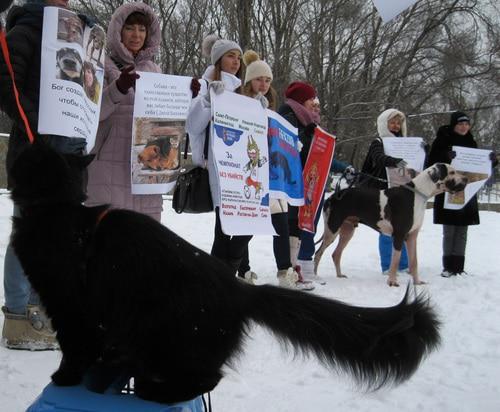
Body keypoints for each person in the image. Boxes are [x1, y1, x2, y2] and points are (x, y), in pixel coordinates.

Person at [0, 0, 89, 350]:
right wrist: (39, 119)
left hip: (70, 151)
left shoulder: (80, 34)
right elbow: (7, 84)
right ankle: (19, 316)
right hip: (35, 150)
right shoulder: (26, 28)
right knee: (29, 231)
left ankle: (42, 308)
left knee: (55, 236)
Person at [235, 51, 313, 290]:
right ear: (249, 80)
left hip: (273, 176)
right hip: (248, 173)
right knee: (245, 227)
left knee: (280, 224)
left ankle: (284, 272)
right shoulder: (238, 102)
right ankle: (242, 269)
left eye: (268, 80)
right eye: (259, 79)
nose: (264, 84)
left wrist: (291, 143)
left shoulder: (269, 107)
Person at [85, 2, 163, 221]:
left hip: (146, 169)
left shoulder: (155, 70)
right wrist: (118, 88)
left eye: (142, 29)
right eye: (130, 28)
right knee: (107, 241)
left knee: (143, 244)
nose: (136, 35)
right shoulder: (99, 62)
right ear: (118, 31)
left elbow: (166, 122)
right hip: (108, 166)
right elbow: (90, 115)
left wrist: (187, 96)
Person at [186, 35, 254, 276]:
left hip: (239, 167)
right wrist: (207, 100)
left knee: (241, 224)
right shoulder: (204, 85)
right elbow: (192, 126)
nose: (236, 62)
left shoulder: (240, 88)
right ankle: (221, 278)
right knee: (224, 226)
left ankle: (222, 276)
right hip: (215, 165)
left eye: (238, 57)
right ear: (218, 60)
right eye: (230, 56)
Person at [427, 111, 498, 277]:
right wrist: (445, 156)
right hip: (448, 189)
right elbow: (432, 164)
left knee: (462, 231)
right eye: (460, 124)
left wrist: (492, 161)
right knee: (450, 230)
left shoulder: (471, 141)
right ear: (454, 125)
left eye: (466, 124)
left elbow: (479, 167)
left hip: (468, 189)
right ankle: (447, 266)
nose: (464, 126)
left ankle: (458, 266)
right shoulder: (442, 139)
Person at [293, 97, 354, 284]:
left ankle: (307, 266)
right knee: (301, 227)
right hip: (302, 185)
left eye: (319, 106)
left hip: (317, 187)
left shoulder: (318, 132)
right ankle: (301, 265)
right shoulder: (300, 128)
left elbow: (325, 161)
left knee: (311, 225)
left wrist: (344, 167)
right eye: (313, 104)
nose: (317, 109)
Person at [359, 108, 410, 276]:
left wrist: (424, 149)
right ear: (384, 124)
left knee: (402, 227)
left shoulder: (407, 144)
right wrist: (396, 162)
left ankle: (403, 264)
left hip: (401, 192)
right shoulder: (378, 142)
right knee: (387, 228)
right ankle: (388, 265)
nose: (395, 126)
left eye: (398, 123)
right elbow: (379, 158)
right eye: (392, 122)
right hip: (381, 192)